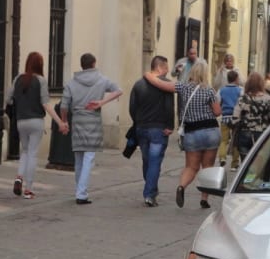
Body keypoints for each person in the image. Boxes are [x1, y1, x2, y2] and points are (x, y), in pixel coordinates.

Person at [145, 61, 221, 209]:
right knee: (208, 167)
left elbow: (161, 84)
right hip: (210, 131)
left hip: (192, 132)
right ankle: (204, 199)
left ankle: (181, 187)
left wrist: (147, 75)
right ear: (205, 73)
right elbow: (217, 112)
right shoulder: (210, 90)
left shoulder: (183, 87)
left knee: (191, 167)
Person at [61, 53, 123, 205]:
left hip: (77, 120)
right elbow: (118, 90)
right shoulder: (101, 79)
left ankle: (79, 190)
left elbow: (64, 105)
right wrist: (102, 102)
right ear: (94, 63)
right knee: (89, 158)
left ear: (82, 65)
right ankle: (81, 194)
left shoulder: (71, 83)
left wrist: (64, 121)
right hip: (93, 120)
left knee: (79, 158)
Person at [6, 52, 67, 200]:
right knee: (32, 153)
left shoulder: (17, 79)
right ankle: (28, 190)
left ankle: (19, 177)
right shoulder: (41, 81)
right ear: (40, 65)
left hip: (21, 122)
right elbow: (46, 104)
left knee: (25, 151)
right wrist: (60, 122)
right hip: (36, 122)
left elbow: (8, 100)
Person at [129, 55, 175, 207]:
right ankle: (149, 194)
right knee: (155, 161)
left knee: (147, 160)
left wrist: (138, 122)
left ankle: (151, 190)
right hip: (159, 129)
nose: (167, 72)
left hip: (142, 128)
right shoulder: (166, 84)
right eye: (166, 68)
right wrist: (170, 126)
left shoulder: (138, 85)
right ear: (160, 67)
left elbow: (132, 107)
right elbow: (169, 107)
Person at [231, 72, 270, 161]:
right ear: (262, 84)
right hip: (262, 134)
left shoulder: (242, 99)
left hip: (244, 135)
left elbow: (235, 119)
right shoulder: (269, 99)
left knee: (246, 164)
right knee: (259, 165)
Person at [217, 70, 243, 171]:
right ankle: (234, 164)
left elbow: (218, 102)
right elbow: (242, 103)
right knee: (235, 141)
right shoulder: (240, 90)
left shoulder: (221, 90)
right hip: (236, 118)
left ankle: (222, 158)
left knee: (224, 140)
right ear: (236, 79)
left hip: (225, 118)